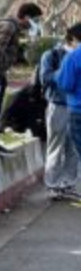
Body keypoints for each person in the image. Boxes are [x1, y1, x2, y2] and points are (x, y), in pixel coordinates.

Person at [0, 2, 42, 154]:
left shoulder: (13, 28)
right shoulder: (8, 27)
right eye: (36, 20)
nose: (36, 24)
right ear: (26, 17)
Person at [40, 26, 80, 201]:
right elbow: (45, 77)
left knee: (73, 149)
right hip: (59, 105)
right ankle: (52, 183)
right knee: (56, 146)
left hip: (75, 108)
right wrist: (65, 72)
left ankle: (68, 183)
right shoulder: (52, 55)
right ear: (72, 39)